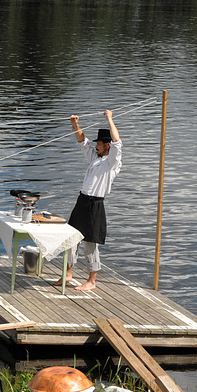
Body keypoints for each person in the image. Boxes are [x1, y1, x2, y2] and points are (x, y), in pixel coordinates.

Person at [54, 110, 122, 291]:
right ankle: (68, 274)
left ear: (106, 145)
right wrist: (75, 125)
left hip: (95, 205)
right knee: (71, 240)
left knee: (90, 245)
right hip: (82, 201)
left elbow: (118, 142)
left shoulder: (112, 162)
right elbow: (82, 141)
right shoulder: (95, 158)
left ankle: (92, 281)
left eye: (99, 144)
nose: (96, 146)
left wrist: (109, 119)